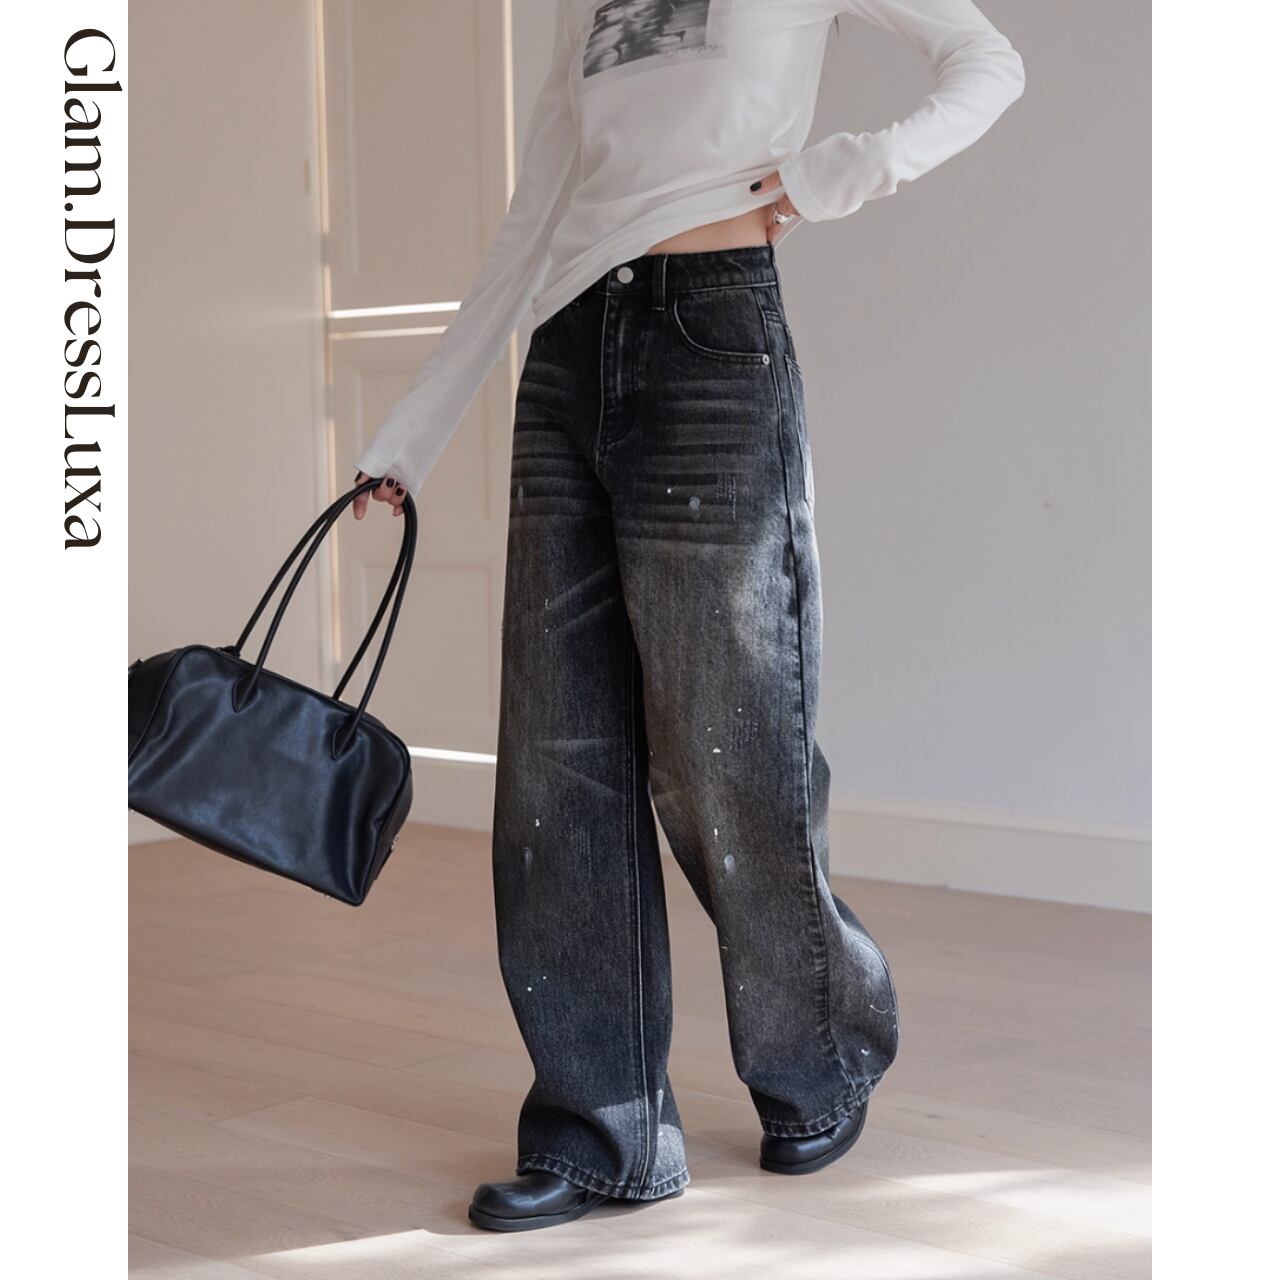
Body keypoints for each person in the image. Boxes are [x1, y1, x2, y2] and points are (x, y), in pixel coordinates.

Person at [353, 0, 1025, 1233]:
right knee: (558, 766)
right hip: (566, 355)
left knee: (729, 746)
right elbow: (533, 212)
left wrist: (835, 173)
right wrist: (411, 432)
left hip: (712, 332)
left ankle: (818, 1051)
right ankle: (598, 1128)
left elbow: (986, 60)